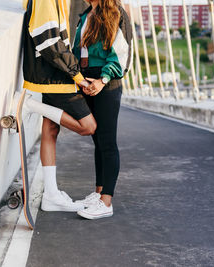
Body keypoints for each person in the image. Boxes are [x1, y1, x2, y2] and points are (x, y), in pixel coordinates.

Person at [17, 0, 99, 212]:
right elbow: (49, 43)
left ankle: (51, 195)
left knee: (50, 129)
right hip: (55, 77)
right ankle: (30, 105)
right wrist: (78, 77)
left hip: (54, 73)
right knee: (88, 126)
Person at [73, 0, 133, 219]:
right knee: (97, 141)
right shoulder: (86, 14)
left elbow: (122, 52)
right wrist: (80, 79)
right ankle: (98, 193)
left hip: (106, 83)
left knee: (107, 141)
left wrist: (102, 80)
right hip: (86, 81)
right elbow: (77, 50)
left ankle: (107, 202)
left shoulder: (117, 13)